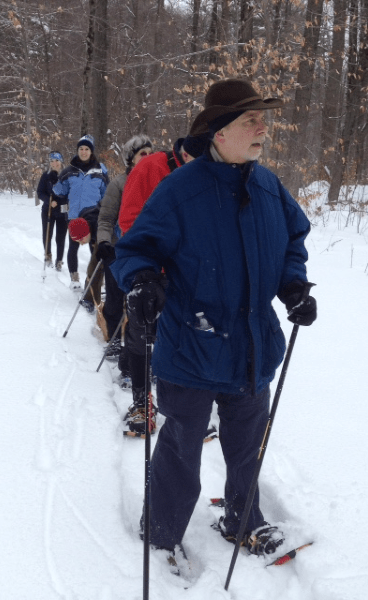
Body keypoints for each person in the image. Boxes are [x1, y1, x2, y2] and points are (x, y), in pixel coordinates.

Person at [109, 78, 317, 561]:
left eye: (262, 119)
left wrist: (294, 286)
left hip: (251, 346)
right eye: (251, 120)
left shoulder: (268, 186)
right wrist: (141, 283)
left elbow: (293, 241)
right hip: (191, 344)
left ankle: (243, 520)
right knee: (182, 445)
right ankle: (161, 533)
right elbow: (136, 247)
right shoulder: (180, 190)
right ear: (220, 131)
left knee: (247, 447)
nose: (263, 127)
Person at [114, 134, 209, 432]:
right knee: (144, 332)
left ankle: (188, 410)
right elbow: (129, 220)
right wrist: (147, 267)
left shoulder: (215, 171)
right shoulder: (151, 168)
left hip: (193, 271)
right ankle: (142, 404)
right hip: (153, 269)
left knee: (193, 335)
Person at [95, 135, 154, 371]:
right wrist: (103, 243)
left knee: (140, 305)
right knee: (115, 297)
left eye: (151, 154)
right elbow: (106, 218)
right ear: (131, 158)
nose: (148, 159)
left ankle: (135, 352)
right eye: (143, 154)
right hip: (119, 250)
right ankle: (112, 340)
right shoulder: (119, 184)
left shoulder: (159, 181)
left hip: (148, 252)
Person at [52, 135, 109, 289]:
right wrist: (56, 178)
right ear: (77, 150)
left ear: (91, 151)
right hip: (75, 216)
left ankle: (96, 278)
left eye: (87, 149)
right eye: (81, 149)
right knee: (73, 246)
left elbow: (106, 193)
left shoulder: (100, 170)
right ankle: (74, 277)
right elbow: (60, 191)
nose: (83, 152)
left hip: (95, 216)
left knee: (95, 248)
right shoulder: (69, 170)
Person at [36, 151, 67, 271]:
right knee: (47, 234)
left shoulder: (66, 175)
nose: (54, 164)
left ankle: (59, 260)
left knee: (61, 237)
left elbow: (71, 192)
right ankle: (48, 255)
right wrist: (49, 201)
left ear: (61, 161)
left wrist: (67, 203)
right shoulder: (46, 176)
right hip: (48, 210)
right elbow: (40, 192)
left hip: (62, 210)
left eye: (57, 161)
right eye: (52, 161)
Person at [68, 208, 101, 313]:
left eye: (81, 239)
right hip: (96, 234)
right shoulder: (83, 218)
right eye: (78, 241)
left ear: (86, 233)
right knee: (94, 266)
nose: (81, 244)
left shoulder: (99, 227)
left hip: (113, 236)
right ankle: (89, 298)